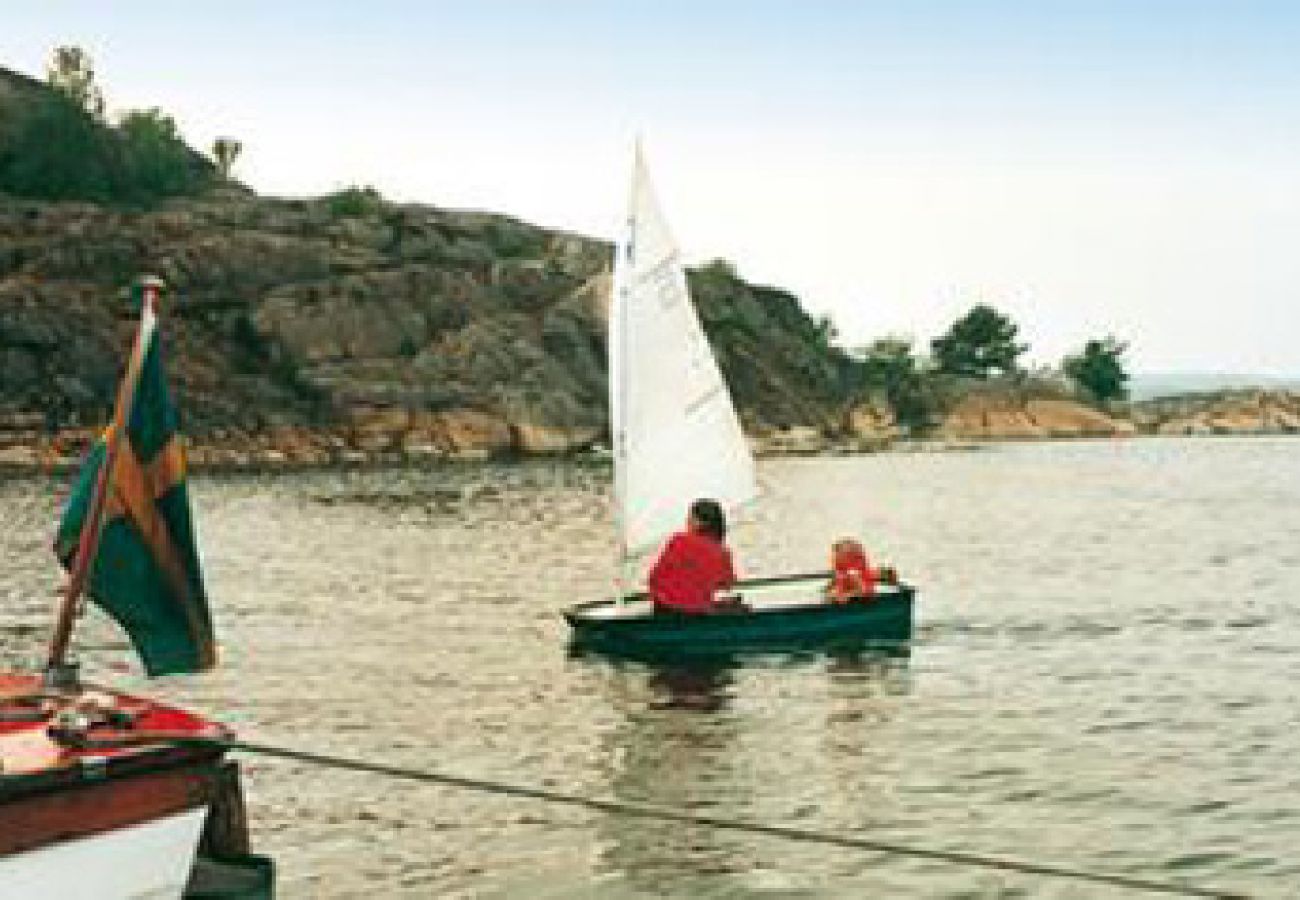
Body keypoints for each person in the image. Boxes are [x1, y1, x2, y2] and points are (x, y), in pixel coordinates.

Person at [647, 499, 738, 614]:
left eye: (690, 518)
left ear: (699, 521)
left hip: (670, 614)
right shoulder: (722, 553)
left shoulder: (680, 541)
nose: (687, 522)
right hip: (702, 616)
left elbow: (656, 577)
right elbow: (726, 584)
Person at [826, 537, 875, 603]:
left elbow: (865, 590)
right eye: (856, 557)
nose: (862, 558)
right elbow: (834, 594)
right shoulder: (839, 579)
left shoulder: (867, 574)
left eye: (860, 556)